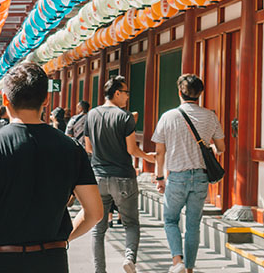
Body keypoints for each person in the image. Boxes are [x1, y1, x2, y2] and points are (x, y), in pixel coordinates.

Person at [0, 63, 102, 273]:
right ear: (46, 99)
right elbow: (95, 213)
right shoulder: (71, 149)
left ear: (5, 99)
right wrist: (62, 238)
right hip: (53, 262)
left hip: (2, 262)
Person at [151, 73, 225, 273]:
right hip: (201, 177)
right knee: (193, 225)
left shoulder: (168, 116)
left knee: (170, 220)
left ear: (180, 92)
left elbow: (159, 152)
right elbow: (221, 147)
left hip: (176, 176)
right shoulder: (210, 116)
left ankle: (177, 262)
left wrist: (159, 178)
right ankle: (189, 269)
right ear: (200, 93)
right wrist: (209, 147)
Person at [85, 76, 153, 273]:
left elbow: (89, 148)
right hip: (123, 177)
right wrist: (148, 157)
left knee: (98, 229)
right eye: (126, 93)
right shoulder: (125, 117)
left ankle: (100, 270)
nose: (127, 97)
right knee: (131, 223)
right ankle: (129, 258)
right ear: (117, 93)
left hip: (98, 177)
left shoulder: (92, 115)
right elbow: (132, 149)